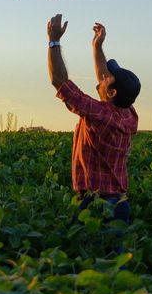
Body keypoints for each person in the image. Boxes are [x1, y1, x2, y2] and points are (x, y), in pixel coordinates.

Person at [46, 13, 140, 224]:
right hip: (119, 205)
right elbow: (103, 81)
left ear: (113, 92)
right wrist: (97, 47)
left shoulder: (101, 115)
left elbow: (59, 81)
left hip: (97, 207)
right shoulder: (129, 115)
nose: (105, 75)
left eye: (109, 76)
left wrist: (54, 41)